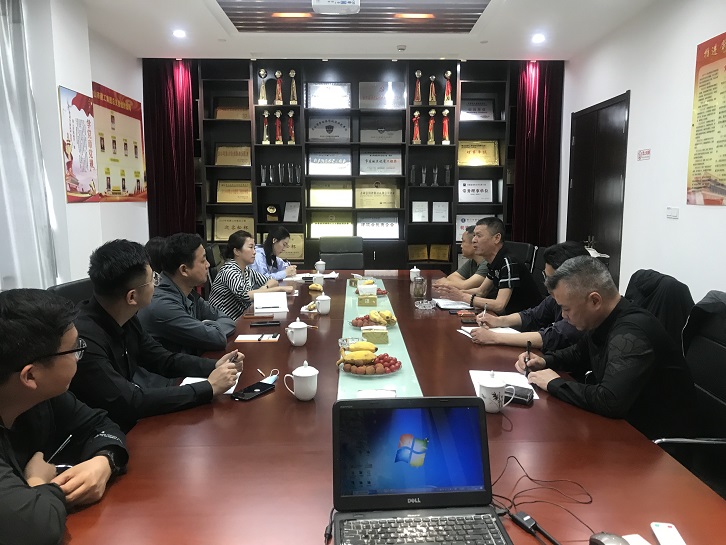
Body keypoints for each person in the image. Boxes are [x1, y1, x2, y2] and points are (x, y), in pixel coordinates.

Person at [71, 239, 243, 432]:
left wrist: (214, 365)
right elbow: (130, 402)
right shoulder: (84, 340)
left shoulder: (126, 317)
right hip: (104, 432)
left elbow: (162, 359)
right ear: (132, 297)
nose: (156, 284)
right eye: (153, 279)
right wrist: (209, 387)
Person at [515, 256, 695, 440]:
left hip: (660, 443)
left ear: (595, 301)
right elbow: (578, 353)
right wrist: (544, 361)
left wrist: (554, 383)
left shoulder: (631, 332)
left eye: (567, 308)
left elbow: (610, 400)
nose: (563, 316)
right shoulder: (605, 319)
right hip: (627, 427)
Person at [0, 289, 129, 545]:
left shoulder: (41, 395)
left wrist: (104, 462)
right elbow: (34, 529)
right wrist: (38, 481)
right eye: (73, 350)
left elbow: (100, 424)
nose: (79, 356)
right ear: (30, 376)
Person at [470, 241, 590, 351]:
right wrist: (498, 321)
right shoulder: (554, 298)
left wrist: (494, 337)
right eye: (545, 277)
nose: (547, 285)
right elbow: (532, 315)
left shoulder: (583, 306)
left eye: (552, 280)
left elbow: (552, 336)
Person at [138, 233, 236, 355]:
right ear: (184, 270)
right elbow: (217, 338)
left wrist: (206, 325)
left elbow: (227, 319)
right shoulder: (163, 305)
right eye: (203, 260)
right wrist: (208, 327)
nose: (208, 265)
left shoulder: (188, 293)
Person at [435, 217, 542, 314]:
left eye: (479, 236)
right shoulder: (494, 261)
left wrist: (462, 296)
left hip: (527, 321)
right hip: (508, 317)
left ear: (496, 238)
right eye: (474, 235)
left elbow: (499, 305)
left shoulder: (508, 261)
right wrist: (452, 294)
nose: (474, 240)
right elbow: (481, 291)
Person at [210, 230, 294, 320]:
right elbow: (246, 296)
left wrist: (265, 288)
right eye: (250, 247)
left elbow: (272, 281)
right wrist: (280, 289)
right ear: (237, 251)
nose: (254, 252)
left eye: (254, 248)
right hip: (223, 321)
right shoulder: (229, 270)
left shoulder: (246, 269)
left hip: (241, 317)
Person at [433, 225, 489, 290]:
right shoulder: (472, 261)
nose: (461, 246)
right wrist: (459, 284)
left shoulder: (487, 263)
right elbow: (452, 277)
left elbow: (464, 286)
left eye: (463, 241)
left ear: (474, 243)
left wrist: (446, 283)